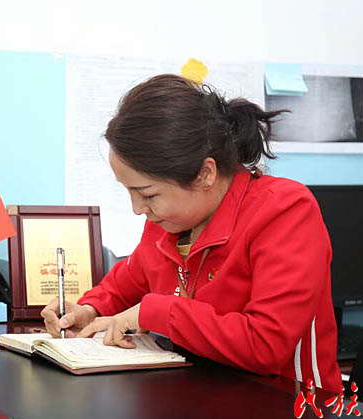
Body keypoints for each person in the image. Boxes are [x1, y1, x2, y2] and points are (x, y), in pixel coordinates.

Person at [41, 74, 341, 392]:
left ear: (205, 174)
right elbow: (125, 285)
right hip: (199, 397)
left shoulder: (285, 211)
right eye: (128, 191)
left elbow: (265, 345)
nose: (137, 208)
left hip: (288, 406)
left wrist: (154, 312)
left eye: (147, 194)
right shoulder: (167, 222)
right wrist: (89, 310)